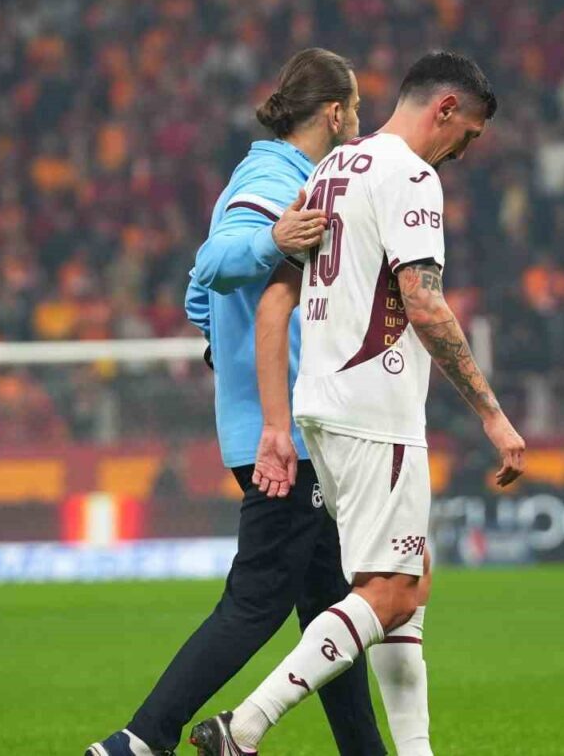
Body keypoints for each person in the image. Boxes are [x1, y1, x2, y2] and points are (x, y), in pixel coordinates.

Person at [191, 51, 526, 755]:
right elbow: (424, 304)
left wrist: (279, 422)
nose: (464, 150)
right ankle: (243, 727)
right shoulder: (411, 176)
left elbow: (274, 302)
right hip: (377, 411)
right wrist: (492, 413)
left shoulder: (330, 171)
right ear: (445, 109)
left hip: (321, 408)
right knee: (391, 591)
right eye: (468, 133)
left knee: (406, 582)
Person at [87, 48, 385, 756]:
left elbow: (199, 298)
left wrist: (229, 351)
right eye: (355, 107)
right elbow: (215, 264)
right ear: (333, 112)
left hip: (283, 428)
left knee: (330, 613)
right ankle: (139, 740)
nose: (360, 118)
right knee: (257, 601)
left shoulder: (275, 174)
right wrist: (272, 241)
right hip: (285, 439)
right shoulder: (272, 181)